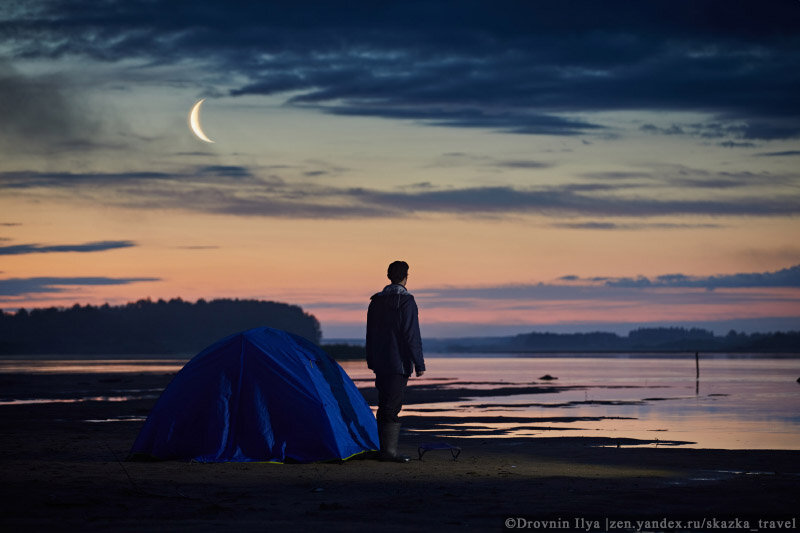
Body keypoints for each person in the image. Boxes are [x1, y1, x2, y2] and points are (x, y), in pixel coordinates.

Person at [366, 260, 425, 462]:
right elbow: (411, 334)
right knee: (392, 406)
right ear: (406, 276)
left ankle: (384, 450)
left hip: (381, 361)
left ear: (388, 276)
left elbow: (370, 334)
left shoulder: (376, 301)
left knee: (385, 403)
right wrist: (419, 363)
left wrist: (371, 359)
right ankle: (388, 452)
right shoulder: (407, 301)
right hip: (398, 362)